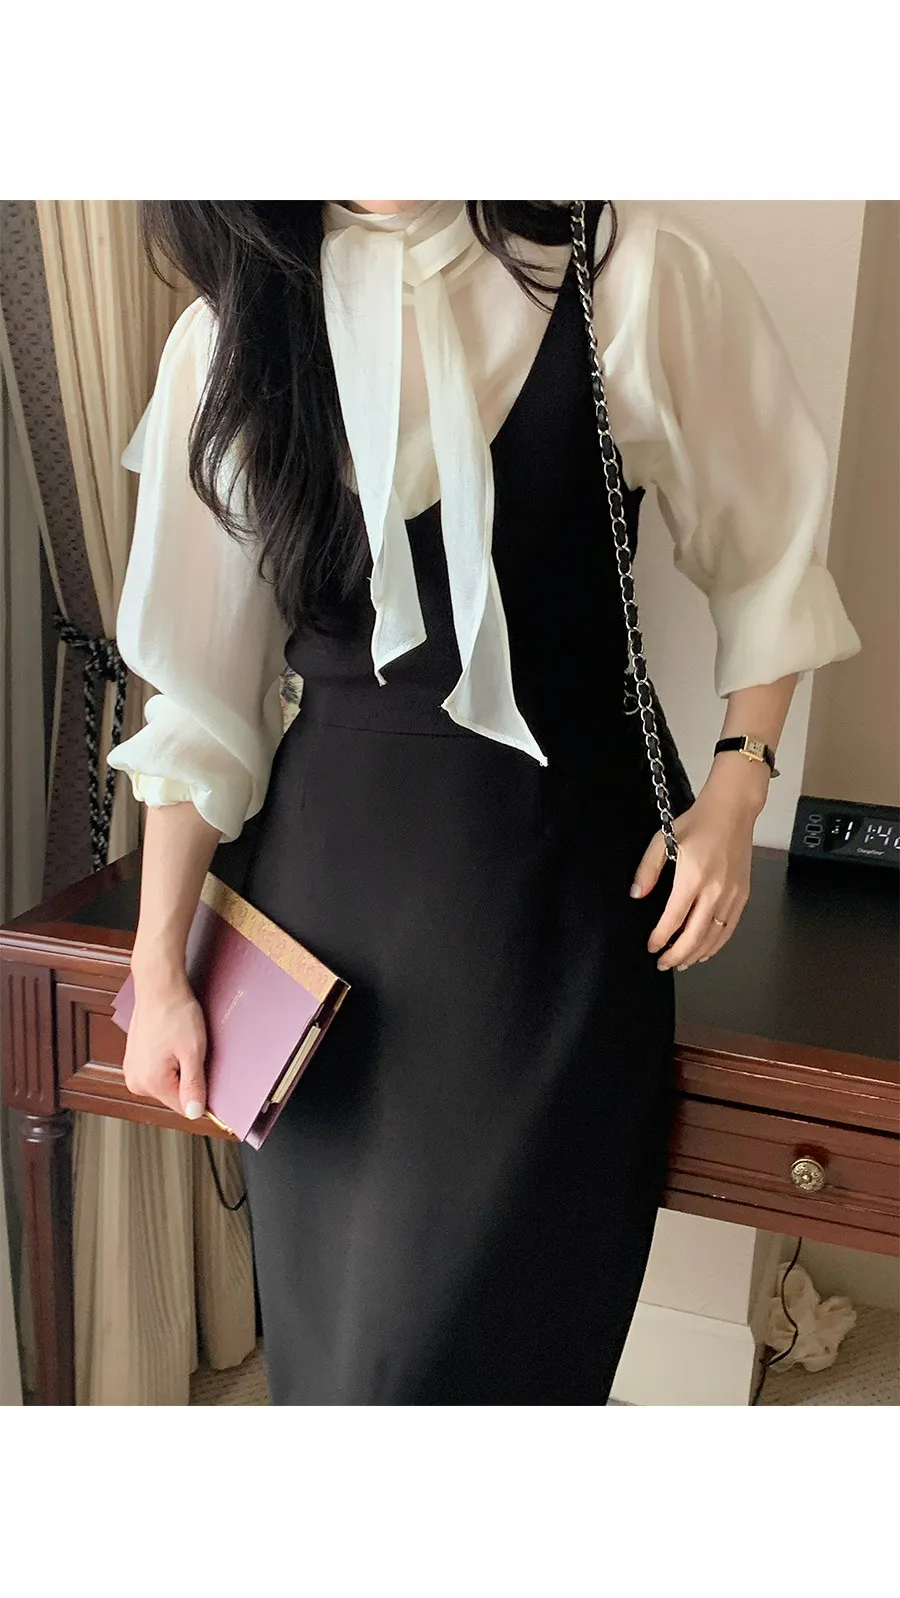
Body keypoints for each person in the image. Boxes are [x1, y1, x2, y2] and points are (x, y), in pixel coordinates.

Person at [108, 200, 862, 1405]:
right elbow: (201, 705)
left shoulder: (630, 273)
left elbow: (770, 548)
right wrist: (157, 965)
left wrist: (737, 783)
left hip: (557, 904)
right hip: (326, 917)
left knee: (488, 1349)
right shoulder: (229, 335)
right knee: (341, 1364)